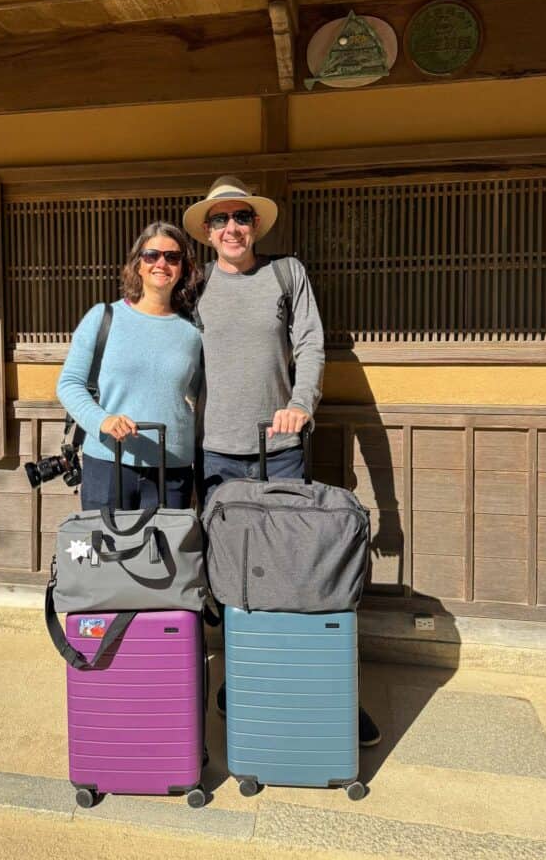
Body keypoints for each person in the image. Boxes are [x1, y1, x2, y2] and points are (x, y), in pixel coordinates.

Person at [183, 175, 381, 747]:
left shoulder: (286, 273)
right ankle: (245, 676)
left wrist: (300, 404)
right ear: (207, 232)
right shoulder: (195, 291)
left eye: (241, 217)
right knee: (233, 575)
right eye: (219, 221)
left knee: (297, 573)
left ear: (256, 225)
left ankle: (325, 690)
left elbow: (311, 343)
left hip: (281, 450)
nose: (231, 228)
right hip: (216, 452)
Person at [56, 221, 201, 511]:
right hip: (108, 461)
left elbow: (201, 396)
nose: (162, 263)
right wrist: (102, 420)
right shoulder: (104, 317)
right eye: (152, 255)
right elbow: (69, 383)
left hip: (171, 467)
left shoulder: (193, 332)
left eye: (172, 257)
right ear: (138, 264)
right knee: (108, 554)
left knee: (166, 555)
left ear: (183, 268)